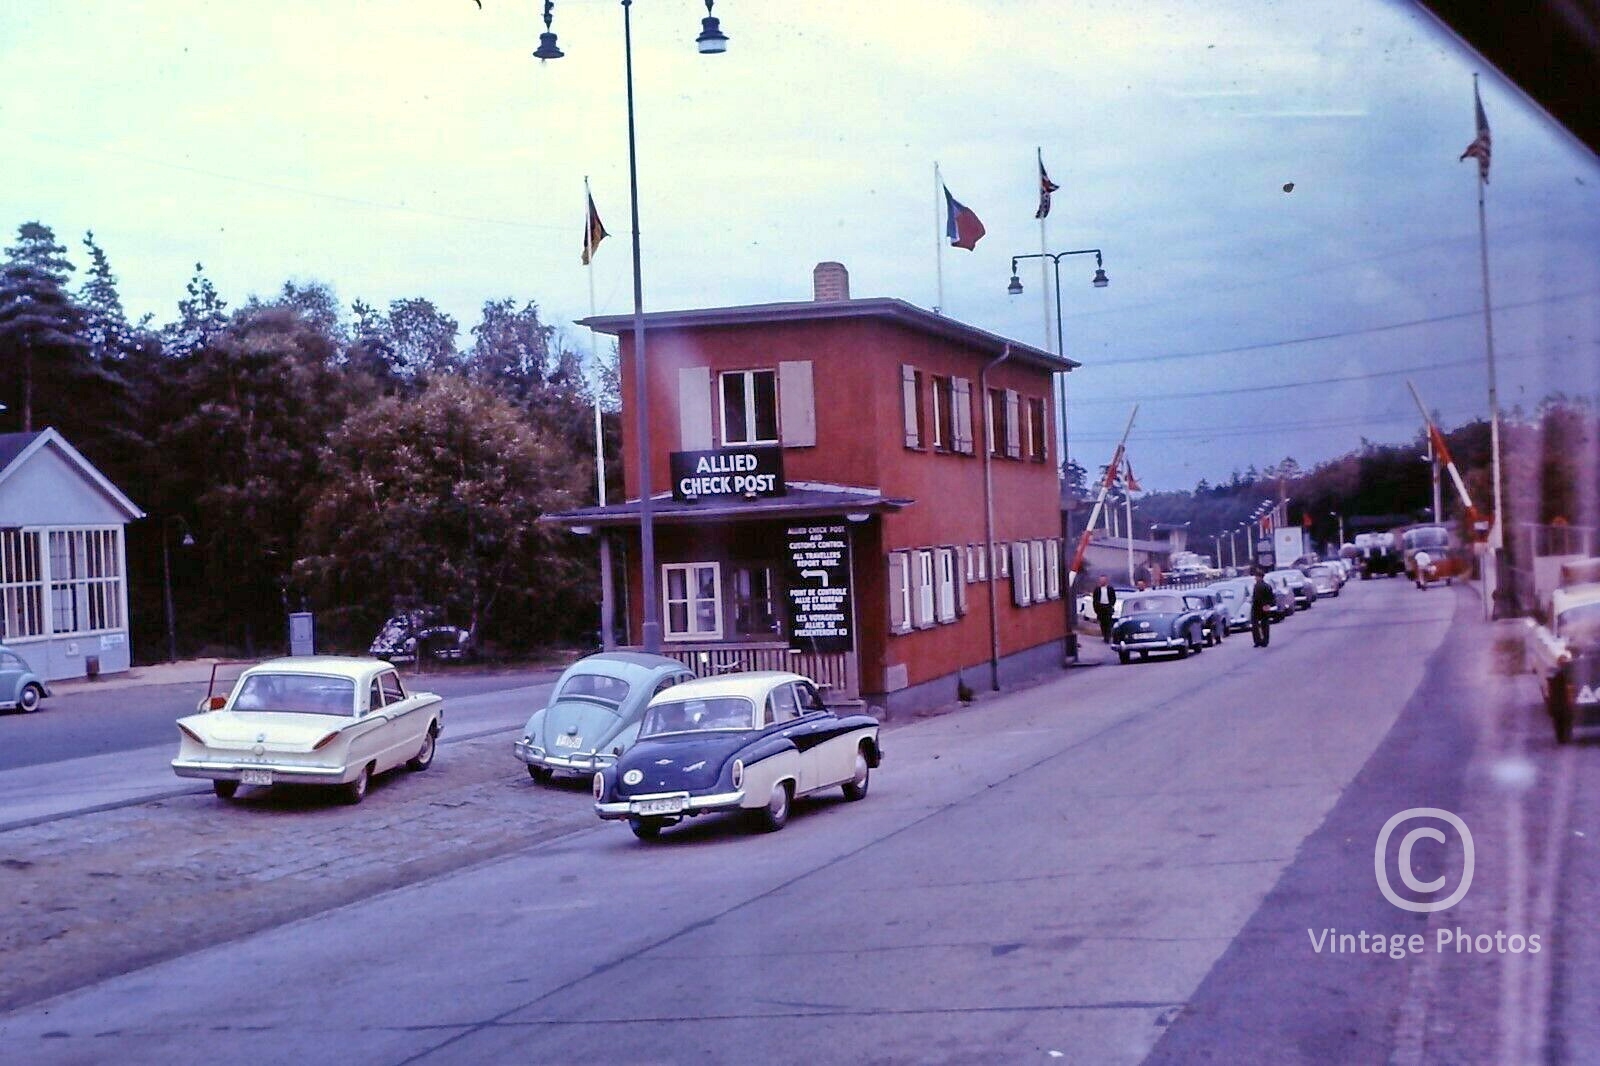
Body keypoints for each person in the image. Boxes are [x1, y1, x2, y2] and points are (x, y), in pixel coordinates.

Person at [1250, 569, 1276, 648]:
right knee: (1265, 625)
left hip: (1257, 607)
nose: (1255, 578)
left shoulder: (1257, 586)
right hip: (1265, 607)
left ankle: (1258, 641)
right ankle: (1265, 640)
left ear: (1259, 577)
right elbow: (1271, 597)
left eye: (1256, 577)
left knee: (1255, 625)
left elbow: (1256, 598)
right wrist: (1268, 605)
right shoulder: (1267, 586)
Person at [1092, 576, 1118, 643]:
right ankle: (1104, 635)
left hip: (1108, 607)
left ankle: (1108, 637)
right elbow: (1094, 600)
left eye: (1103, 580)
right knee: (1102, 623)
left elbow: (1113, 598)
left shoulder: (1110, 589)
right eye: (1101, 580)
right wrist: (1096, 608)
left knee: (1108, 623)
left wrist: (1111, 604)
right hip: (1100, 607)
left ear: (1106, 580)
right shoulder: (1097, 589)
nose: (1102, 581)